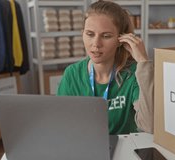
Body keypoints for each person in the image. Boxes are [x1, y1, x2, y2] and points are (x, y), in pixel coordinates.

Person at [57, 0, 154, 135]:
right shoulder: (72, 74)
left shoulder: (133, 73)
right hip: (84, 147)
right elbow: (61, 123)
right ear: (82, 34)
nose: (96, 44)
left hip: (123, 149)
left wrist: (143, 62)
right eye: (90, 34)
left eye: (106, 36)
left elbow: (149, 126)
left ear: (121, 40)